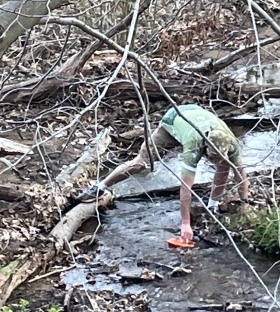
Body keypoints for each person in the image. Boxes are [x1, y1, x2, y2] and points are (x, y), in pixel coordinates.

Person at [77, 104, 250, 243]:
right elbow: (186, 187)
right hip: (174, 120)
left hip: (199, 115)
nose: (214, 161)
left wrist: (245, 204)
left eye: (218, 156)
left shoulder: (231, 143)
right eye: (212, 157)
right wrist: (185, 223)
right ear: (205, 148)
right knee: (139, 164)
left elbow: (241, 174)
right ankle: (99, 187)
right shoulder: (194, 144)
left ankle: (212, 207)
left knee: (224, 167)